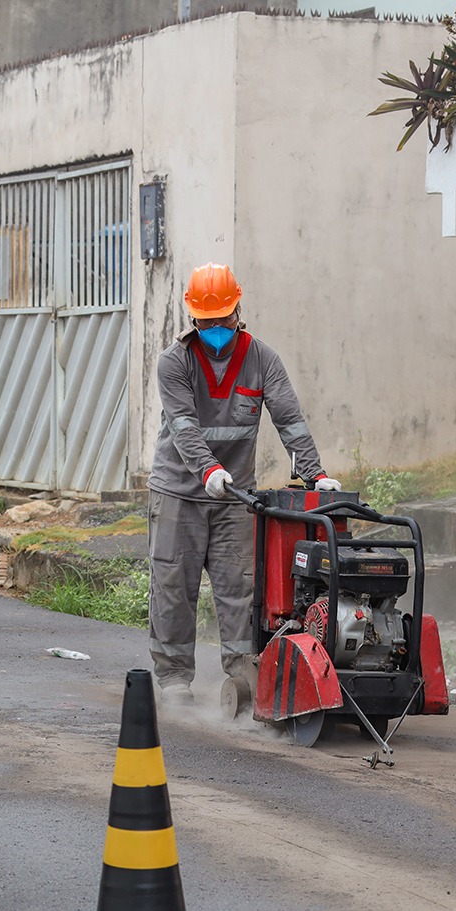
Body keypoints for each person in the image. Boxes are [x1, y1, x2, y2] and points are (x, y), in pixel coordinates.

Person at [147, 263, 341, 704]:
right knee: (174, 587)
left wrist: (315, 474)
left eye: (224, 320)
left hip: (235, 497)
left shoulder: (262, 360)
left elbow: (289, 419)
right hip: (179, 492)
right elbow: (183, 427)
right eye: (207, 322)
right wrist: (208, 469)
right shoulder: (174, 363)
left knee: (241, 590)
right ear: (193, 319)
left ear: (239, 311)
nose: (216, 329)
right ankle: (175, 679)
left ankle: (243, 678)